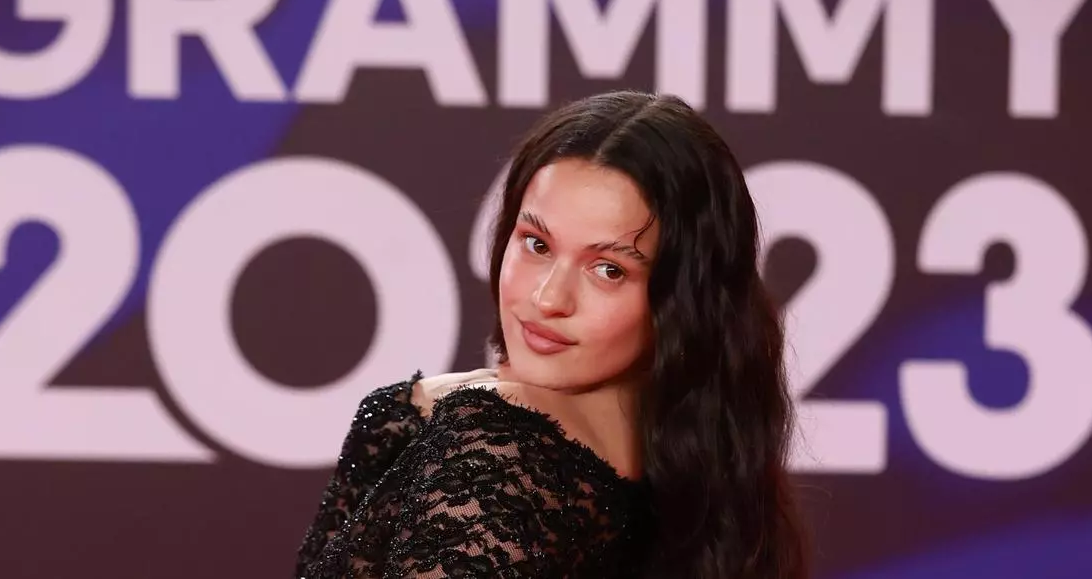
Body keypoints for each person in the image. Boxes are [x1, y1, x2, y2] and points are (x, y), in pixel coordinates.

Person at [292, 90, 808, 578]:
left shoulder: (497, 445)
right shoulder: (701, 471)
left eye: (608, 270)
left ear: (682, 300)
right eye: (536, 244)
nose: (548, 298)